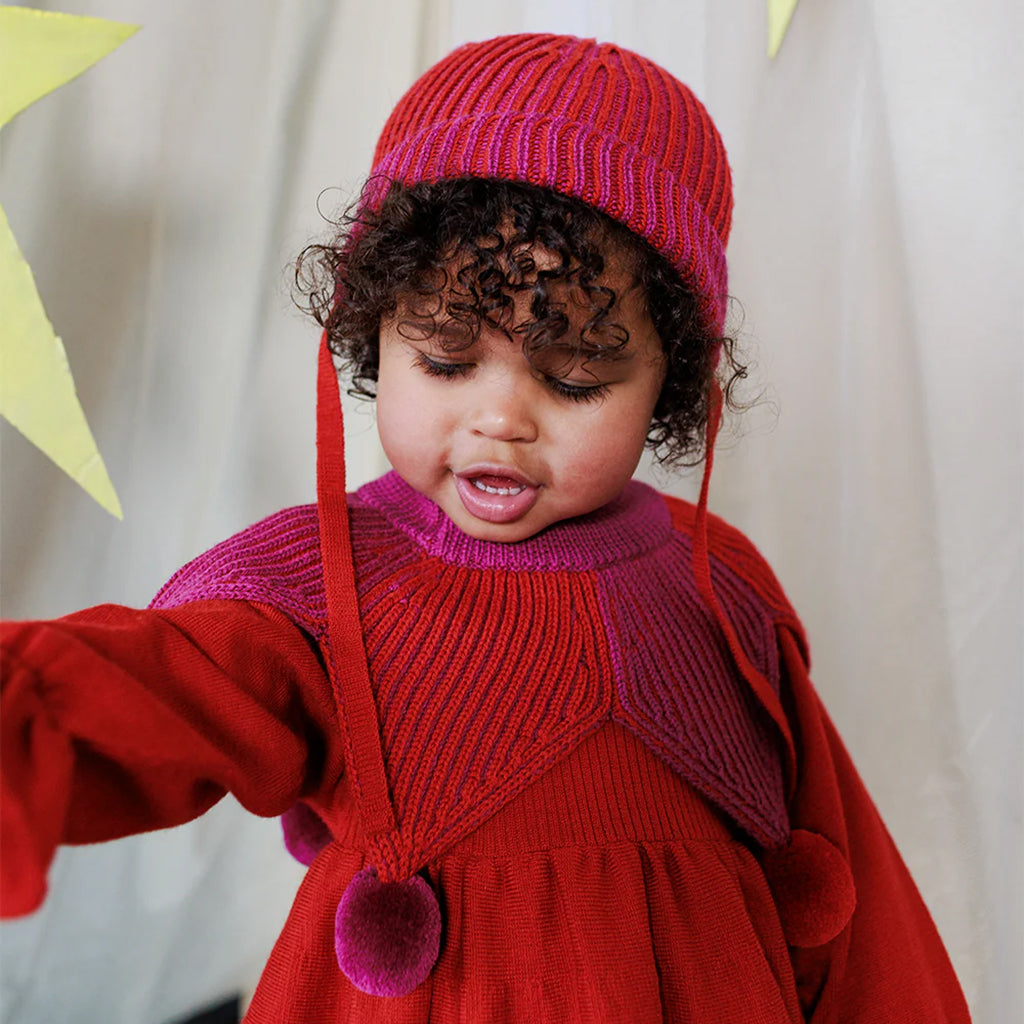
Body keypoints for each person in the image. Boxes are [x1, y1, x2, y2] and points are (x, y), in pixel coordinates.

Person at [0, 33, 971, 1024]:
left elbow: (852, 895)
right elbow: (135, 691)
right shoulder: (316, 591)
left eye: (574, 376)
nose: (501, 419)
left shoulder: (720, 589)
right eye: (447, 358)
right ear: (372, 329)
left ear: (667, 383)